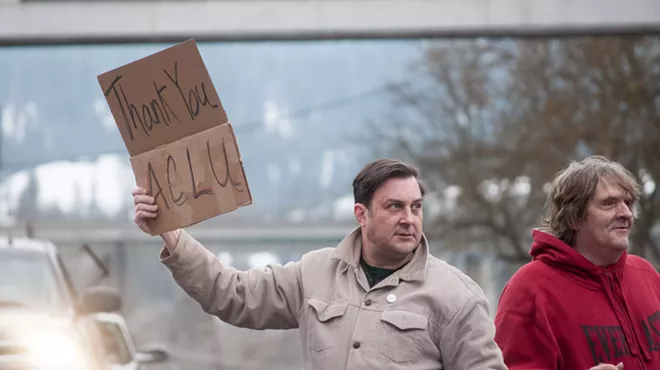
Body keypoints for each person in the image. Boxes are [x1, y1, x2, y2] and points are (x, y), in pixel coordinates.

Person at [132, 158, 507, 369]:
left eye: (416, 207)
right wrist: (173, 233)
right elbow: (230, 294)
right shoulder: (315, 274)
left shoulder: (457, 297)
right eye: (395, 207)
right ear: (361, 214)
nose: (409, 218)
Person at [494, 155, 660, 370]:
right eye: (609, 204)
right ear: (574, 218)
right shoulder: (530, 290)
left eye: (628, 203)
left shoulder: (645, 274)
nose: (626, 213)